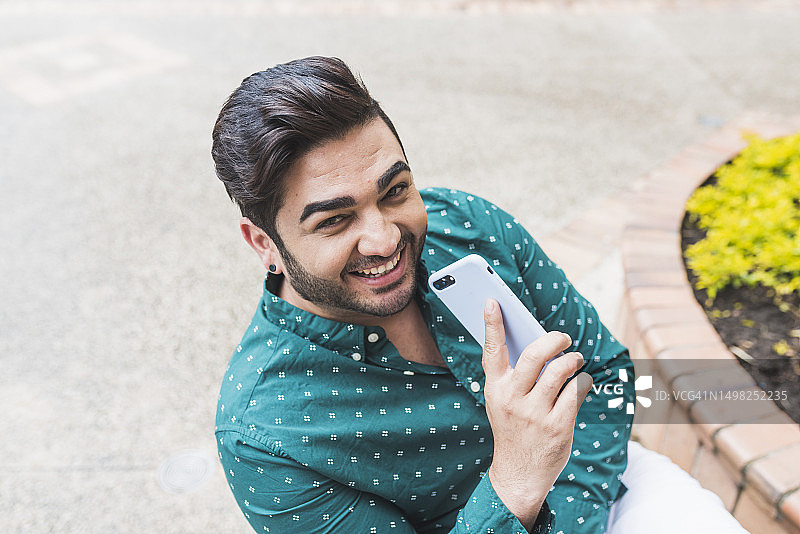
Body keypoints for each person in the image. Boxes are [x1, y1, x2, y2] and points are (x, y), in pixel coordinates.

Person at [211, 56, 631, 534]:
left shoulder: (470, 225)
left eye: (394, 191)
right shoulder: (265, 436)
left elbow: (606, 373)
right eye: (334, 220)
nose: (385, 240)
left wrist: (572, 511)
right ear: (264, 243)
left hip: (601, 494)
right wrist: (516, 483)